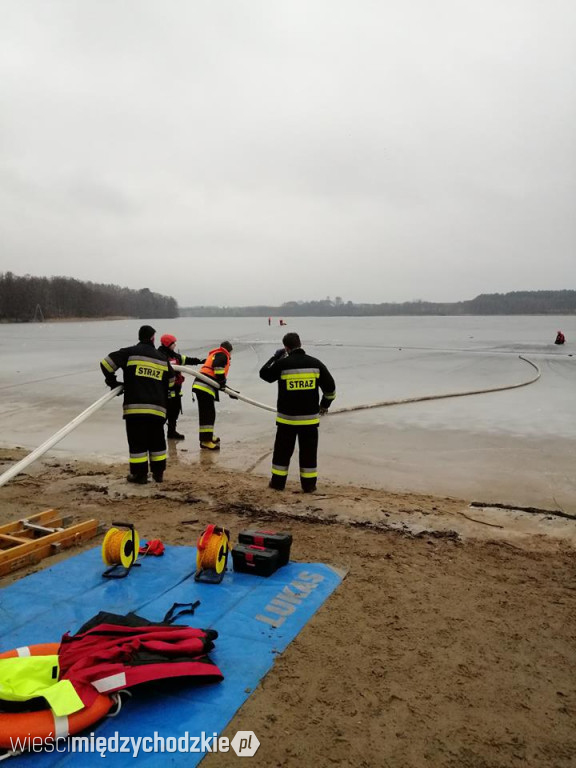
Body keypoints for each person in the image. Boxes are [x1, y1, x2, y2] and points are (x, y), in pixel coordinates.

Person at [259, 332, 336, 492]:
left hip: (286, 421)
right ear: (300, 344)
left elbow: (264, 374)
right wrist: (324, 405)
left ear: (286, 347)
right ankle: (308, 486)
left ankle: (278, 484)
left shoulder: (282, 364)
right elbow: (331, 389)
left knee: (282, 453)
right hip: (309, 421)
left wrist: (275, 358)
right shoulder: (316, 364)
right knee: (308, 454)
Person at [100, 325, 175, 484]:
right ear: (153, 338)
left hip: (135, 409)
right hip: (157, 410)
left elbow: (106, 364)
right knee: (157, 442)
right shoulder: (162, 358)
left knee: (137, 442)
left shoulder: (129, 353)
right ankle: (158, 474)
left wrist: (112, 382)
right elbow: (171, 381)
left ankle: (140, 475)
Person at [157, 334, 204, 440]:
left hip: (176, 390)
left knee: (174, 412)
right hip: (164, 391)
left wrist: (201, 361)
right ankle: (156, 434)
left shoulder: (174, 356)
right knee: (163, 414)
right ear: (167, 344)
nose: (175, 345)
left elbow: (187, 360)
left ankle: (171, 433)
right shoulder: (159, 356)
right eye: (173, 343)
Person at [192, 341, 235, 450]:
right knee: (207, 414)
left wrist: (228, 390)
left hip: (203, 385)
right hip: (204, 386)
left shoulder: (216, 354)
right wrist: (222, 382)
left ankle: (208, 437)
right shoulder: (223, 355)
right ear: (229, 350)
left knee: (209, 413)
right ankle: (206, 441)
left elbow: (216, 378)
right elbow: (218, 368)